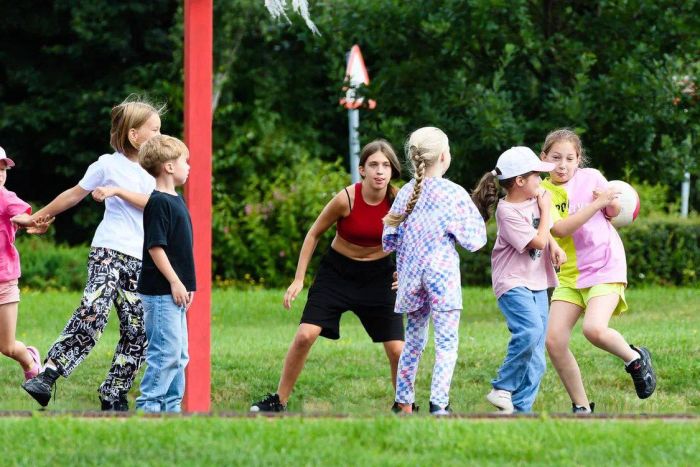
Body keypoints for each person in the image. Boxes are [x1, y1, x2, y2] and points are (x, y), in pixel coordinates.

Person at [19, 96, 162, 410]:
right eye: (154, 130)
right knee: (94, 310)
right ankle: (48, 374)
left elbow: (156, 206)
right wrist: (36, 217)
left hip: (140, 260)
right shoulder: (107, 165)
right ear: (133, 135)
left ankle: (114, 393)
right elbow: (73, 194)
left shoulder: (156, 173)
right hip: (108, 251)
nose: (159, 136)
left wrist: (119, 191)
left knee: (139, 330)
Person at [250, 140, 405, 412]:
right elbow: (314, 234)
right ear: (362, 170)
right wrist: (299, 279)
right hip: (337, 273)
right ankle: (278, 400)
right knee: (305, 335)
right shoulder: (347, 198)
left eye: (386, 165)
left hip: (379, 277)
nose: (380, 171)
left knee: (397, 350)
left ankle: (404, 406)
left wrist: (404, 274)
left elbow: (413, 239)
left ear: (392, 171)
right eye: (373, 165)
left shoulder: (399, 201)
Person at [540, 128, 656, 413]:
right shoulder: (542, 191)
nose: (563, 165)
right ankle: (582, 407)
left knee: (593, 329)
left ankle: (635, 359)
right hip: (569, 274)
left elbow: (613, 211)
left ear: (579, 159)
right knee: (554, 341)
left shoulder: (592, 177)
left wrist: (612, 203)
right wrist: (597, 204)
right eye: (555, 158)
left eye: (570, 158)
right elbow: (559, 229)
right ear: (543, 158)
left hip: (605, 265)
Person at [383, 127, 487, 415]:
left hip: (411, 277)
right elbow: (475, 241)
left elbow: (387, 239)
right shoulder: (453, 194)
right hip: (442, 278)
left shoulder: (405, 193)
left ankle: (403, 402)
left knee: (413, 342)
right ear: (444, 156)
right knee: (446, 342)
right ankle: (439, 403)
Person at [471, 147, 565, 413]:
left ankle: (520, 412)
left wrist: (555, 245)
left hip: (537, 282)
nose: (541, 180)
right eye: (536, 175)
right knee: (530, 331)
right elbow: (537, 240)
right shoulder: (507, 212)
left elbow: (544, 234)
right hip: (512, 283)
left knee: (538, 360)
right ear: (520, 181)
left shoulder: (534, 199)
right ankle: (502, 387)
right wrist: (545, 211)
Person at [135, 135, 194, 413]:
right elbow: (155, 247)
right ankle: (148, 408)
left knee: (179, 356)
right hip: (161, 292)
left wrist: (186, 284)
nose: (188, 166)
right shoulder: (158, 202)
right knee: (165, 354)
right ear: (169, 167)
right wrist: (174, 281)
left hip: (175, 293)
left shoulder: (176, 200)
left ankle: (171, 410)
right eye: (185, 161)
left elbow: (180, 250)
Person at [0, 146, 52, 382]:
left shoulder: (5, 197)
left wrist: (32, 222)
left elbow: (21, 215)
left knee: (7, 347)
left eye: (3, 170)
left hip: (4, 281)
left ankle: (30, 360)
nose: (1, 175)